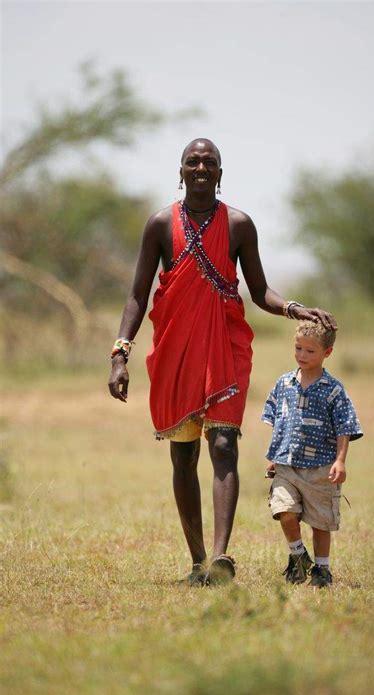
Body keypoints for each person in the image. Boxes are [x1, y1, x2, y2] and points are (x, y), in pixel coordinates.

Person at [108, 137, 336, 586]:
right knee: (183, 455)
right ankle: (196, 562)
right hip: (175, 350)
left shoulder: (238, 225)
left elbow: (259, 290)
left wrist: (294, 308)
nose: (199, 167)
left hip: (225, 347)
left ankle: (220, 557)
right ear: (180, 171)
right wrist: (120, 353)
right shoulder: (159, 224)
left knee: (225, 446)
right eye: (192, 161)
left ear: (219, 173)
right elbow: (137, 294)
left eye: (208, 162)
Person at [262, 319, 363, 587]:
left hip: (321, 468)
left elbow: (345, 426)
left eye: (310, 351)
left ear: (327, 353)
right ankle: (298, 555)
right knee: (283, 510)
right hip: (286, 465)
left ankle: (322, 570)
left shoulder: (333, 389)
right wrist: (274, 455)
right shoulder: (284, 383)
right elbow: (277, 421)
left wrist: (340, 461)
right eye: (298, 348)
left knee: (321, 524)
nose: (302, 356)